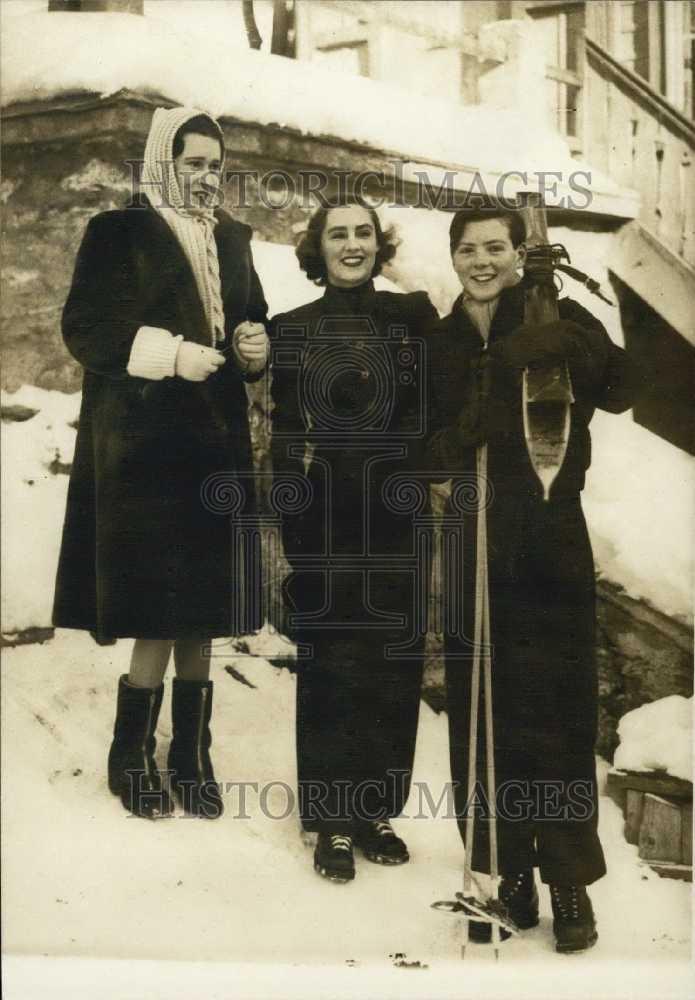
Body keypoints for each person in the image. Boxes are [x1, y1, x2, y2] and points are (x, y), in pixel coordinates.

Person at [427, 199, 637, 952]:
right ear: (453, 256)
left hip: (550, 530)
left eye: (495, 248)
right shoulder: (441, 339)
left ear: (519, 254)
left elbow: (621, 387)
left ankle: (568, 880)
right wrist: (469, 428)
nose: (481, 261)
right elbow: (421, 447)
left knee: (556, 703)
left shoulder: (555, 309)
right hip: (475, 530)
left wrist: (559, 341)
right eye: (468, 249)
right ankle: (506, 873)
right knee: (485, 704)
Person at [53, 107, 269, 820]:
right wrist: (170, 355)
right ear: (160, 164)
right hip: (145, 448)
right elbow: (86, 329)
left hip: (215, 445)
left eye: (215, 166)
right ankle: (131, 755)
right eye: (192, 163)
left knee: (204, 605)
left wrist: (253, 347)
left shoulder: (231, 238)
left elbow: (250, 317)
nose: (206, 177)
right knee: (157, 604)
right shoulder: (118, 232)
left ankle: (191, 754)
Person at [270, 197, 437, 881]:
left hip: (398, 510)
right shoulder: (292, 329)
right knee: (333, 662)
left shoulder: (411, 317)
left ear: (379, 244)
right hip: (326, 515)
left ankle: (376, 810)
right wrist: (290, 519)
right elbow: (284, 432)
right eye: (337, 234)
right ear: (318, 247)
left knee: (393, 662)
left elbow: (439, 400)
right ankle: (332, 820)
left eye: (363, 233)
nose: (351, 245)